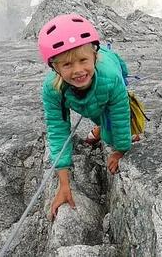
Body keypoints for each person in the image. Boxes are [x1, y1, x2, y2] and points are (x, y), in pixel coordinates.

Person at [38, 14, 132, 218]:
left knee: (110, 127)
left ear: (95, 57)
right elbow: (58, 130)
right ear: (55, 68)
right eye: (67, 65)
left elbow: (120, 114)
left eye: (83, 60)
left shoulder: (111, 77)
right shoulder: (52, 89)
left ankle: (101, 130)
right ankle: (100, 128)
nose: (78, 70)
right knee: (94, 108)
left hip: (114, 78)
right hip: (91, 95)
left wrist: (121, 149)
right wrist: (64, 184)